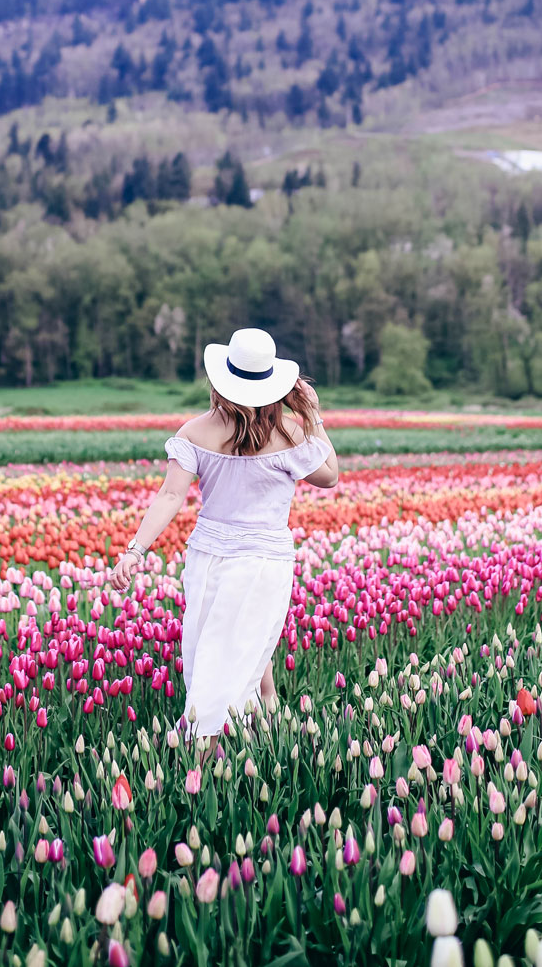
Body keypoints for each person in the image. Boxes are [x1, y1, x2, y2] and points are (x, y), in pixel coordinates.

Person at [107, 327, 339, 763]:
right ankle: (247, 745)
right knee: (245, 650)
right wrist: (313, 416)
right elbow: (330, 476)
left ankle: (203, 753)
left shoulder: (196, 430)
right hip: (264, 562)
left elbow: (170, 496)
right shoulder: (291, 433)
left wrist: (136, 550)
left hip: (210, 557)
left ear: (219, 380)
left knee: (220, 653)